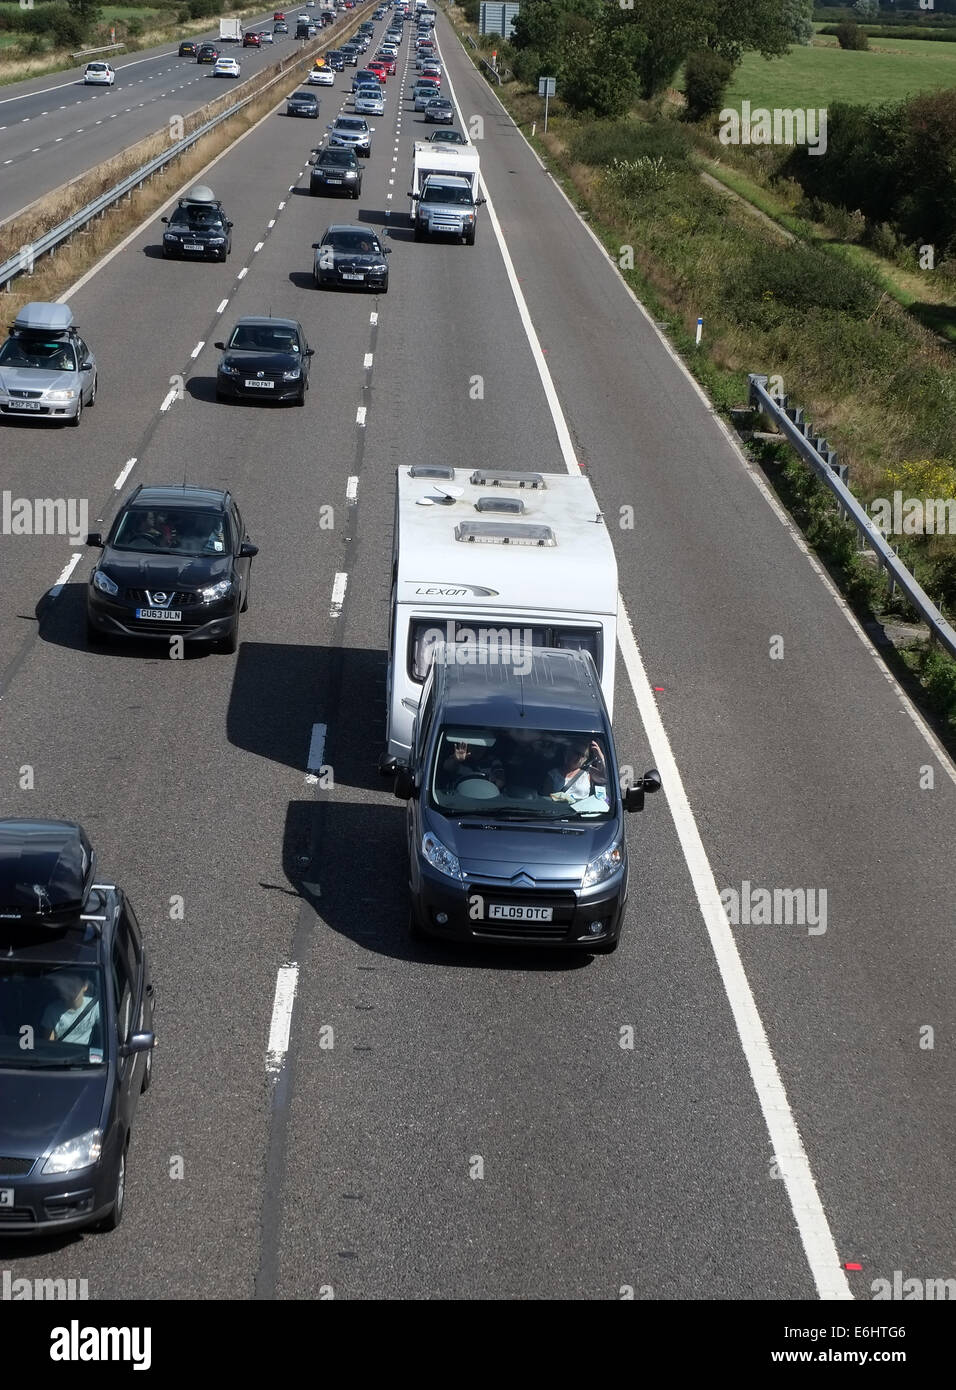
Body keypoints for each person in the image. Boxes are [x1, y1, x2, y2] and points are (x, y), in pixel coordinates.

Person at [42, 973, 99, 1046]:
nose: (68, 991)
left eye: (73, 986)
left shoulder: (95, 1006)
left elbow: (108, 1032)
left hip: (84, 1055)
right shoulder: (52, 1010)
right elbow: (49, 1044)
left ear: (85, 986)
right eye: (65, 985)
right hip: (60, 1054)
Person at [440, 737, 505, 791]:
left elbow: (500, 781)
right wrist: (456, 760)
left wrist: (494, 780)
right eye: (473, 745)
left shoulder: (493, 761)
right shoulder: (461, 760)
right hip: (459, 797)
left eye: (481, 745)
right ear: (467, 746)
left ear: (486, 746)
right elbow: (447, 767)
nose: (477, 748)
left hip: (485, 796)